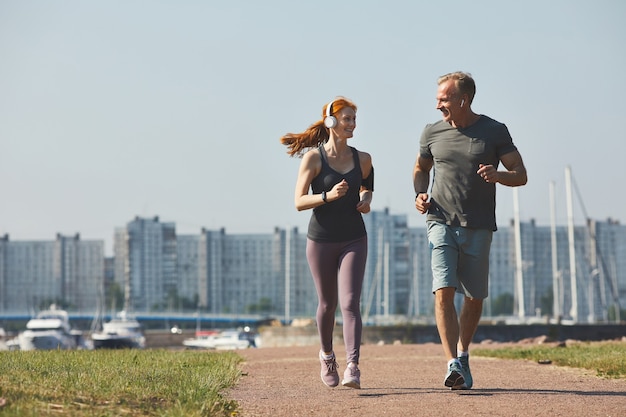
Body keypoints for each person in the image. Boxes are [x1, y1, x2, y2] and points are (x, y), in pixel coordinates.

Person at [413, 72, 527, 390]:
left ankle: (463, 355)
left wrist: (498, 175)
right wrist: (420, 194)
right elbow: (421, 169)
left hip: (478, 225)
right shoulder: (431, 132)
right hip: (440, 221)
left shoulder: (494, 131)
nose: (438, 104)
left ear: (463, 100)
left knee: (474, 298)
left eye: (444, 99)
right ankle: (452, 362)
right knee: (444, 289)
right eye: (437, 98)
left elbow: (521, 174)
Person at [280, 97, 373, 389]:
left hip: (354, 238)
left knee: (350, 303)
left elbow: (368, 186)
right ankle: (327, 355)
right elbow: (298, 201)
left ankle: (353, 367)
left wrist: (365, 201)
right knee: (327, 304)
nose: (352, 124)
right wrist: (327, 196)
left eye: (354, 119)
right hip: (321, 240)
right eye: (347, 118)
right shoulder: (314, 159)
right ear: (331, 121)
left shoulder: (363, 158)